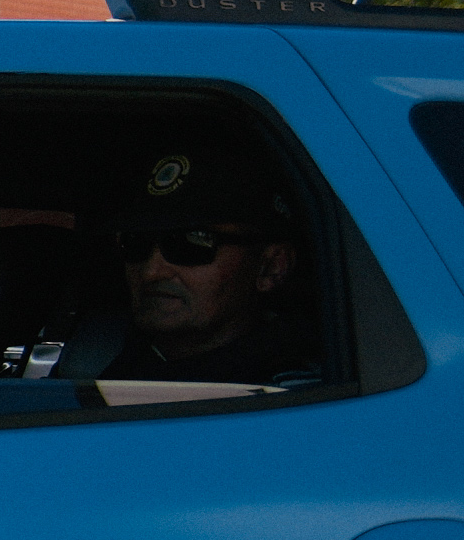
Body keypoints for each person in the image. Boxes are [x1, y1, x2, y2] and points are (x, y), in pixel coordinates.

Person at [102, 146, 320, 387]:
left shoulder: (290, 399)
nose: (152, 271)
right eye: (135, 243)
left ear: (271, 267)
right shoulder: (115, 369)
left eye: (193, 242)